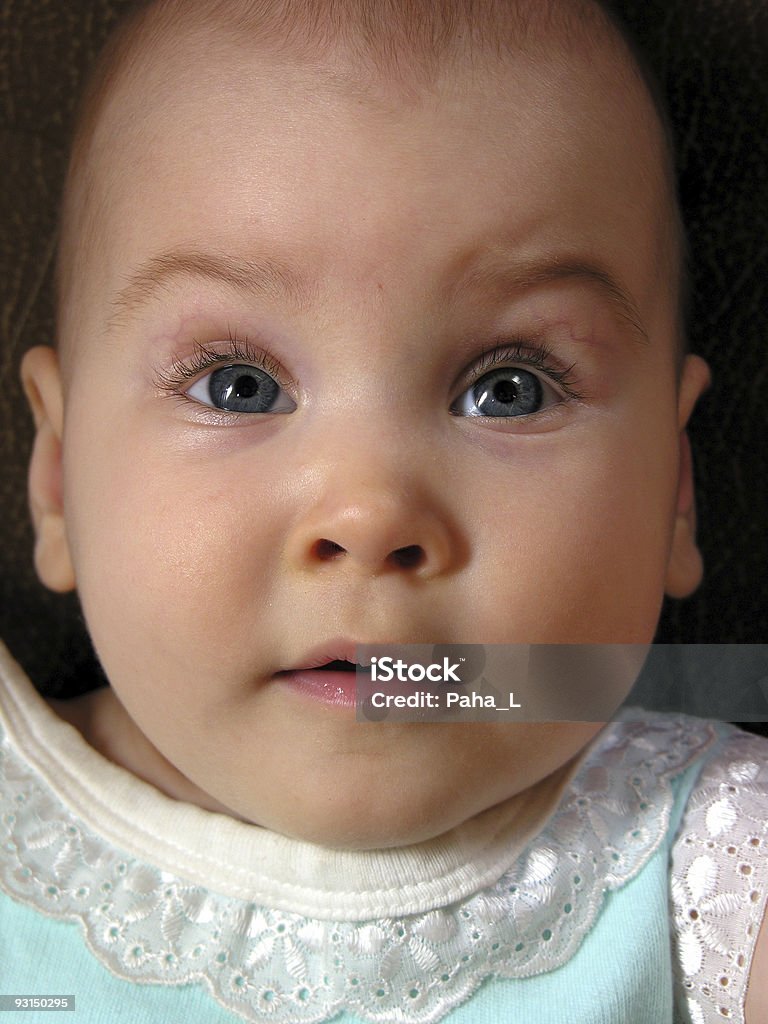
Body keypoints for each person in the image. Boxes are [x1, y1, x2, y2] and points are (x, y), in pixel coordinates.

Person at [1, 0, 765, 1020]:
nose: (368, 516)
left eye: (511, 389)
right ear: (57, 478)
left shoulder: (710, 857)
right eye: (238, 385)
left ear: (674, 489)